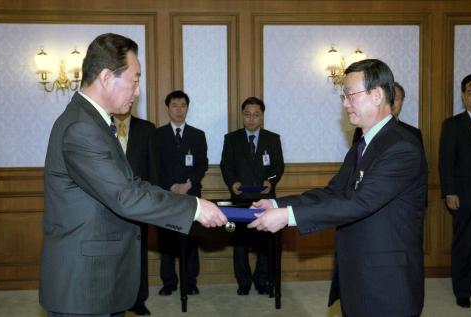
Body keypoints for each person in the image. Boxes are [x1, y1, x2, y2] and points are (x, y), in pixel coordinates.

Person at [40, 33, 227, 317]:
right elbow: (125, 197)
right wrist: (194, 207)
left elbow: (131, 183)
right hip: (85, 285)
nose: (138, 92)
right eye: (135, 80)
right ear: (106, 77)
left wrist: (192, 204)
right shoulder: (82, 128)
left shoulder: (95, 122)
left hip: (99, 278)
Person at [249, 59, 427, 317]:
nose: (344, 104)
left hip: (386, 282)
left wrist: (288, 217)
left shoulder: (401, 148)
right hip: (358, 271)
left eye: (350, 95)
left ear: (376, 95)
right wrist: (277, 204)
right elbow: (333, 193)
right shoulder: (363, 145)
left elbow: (360, 202)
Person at [220, 97, 284, 295]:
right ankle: (244, 282)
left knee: (264, 244)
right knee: (240, 244)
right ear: (242, 115)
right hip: (240, 200)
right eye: (247, 114)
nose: (251, 119)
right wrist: (233, 183)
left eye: (256, 114)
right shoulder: (231, 138)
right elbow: (226, 165)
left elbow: (278, 167)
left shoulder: (272, 138)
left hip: (265, 200)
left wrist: (270, 182)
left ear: (262, 116)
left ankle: (262, 280)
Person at [439, 73, 471, 308]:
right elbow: (445, 161)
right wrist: (449, 192)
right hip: (464, 196)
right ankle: (462, 291)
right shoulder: (453, 125)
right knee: (464, 245)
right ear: (463, 95)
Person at [156, 90, 208, 296]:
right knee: (166, 239)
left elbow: (202, 165)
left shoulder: (198, 135)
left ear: (188, 108)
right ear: (167, 108)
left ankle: (190, 282)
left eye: (183, 105)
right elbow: (155, 166)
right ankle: (169, 282)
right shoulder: (157, 135)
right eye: (175, 105)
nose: (179, 110)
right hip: (166, 195)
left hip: (191, 194)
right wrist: (171, 186)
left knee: (191, 239)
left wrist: (188, 184)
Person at [113, 110, 158, 315]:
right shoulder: (101, 125)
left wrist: (153, 198)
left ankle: (139, 299)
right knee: (113, 252)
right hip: (109, 199)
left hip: (139, 201)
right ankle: (114, 298)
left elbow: (153, 167)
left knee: (138, 253)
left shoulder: (147, 128)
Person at [352, 82, 423, 146]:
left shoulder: (413, 133)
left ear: (402, 102)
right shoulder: (362, 131)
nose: (392, 103)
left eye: (396, 99)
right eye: (389, 98)